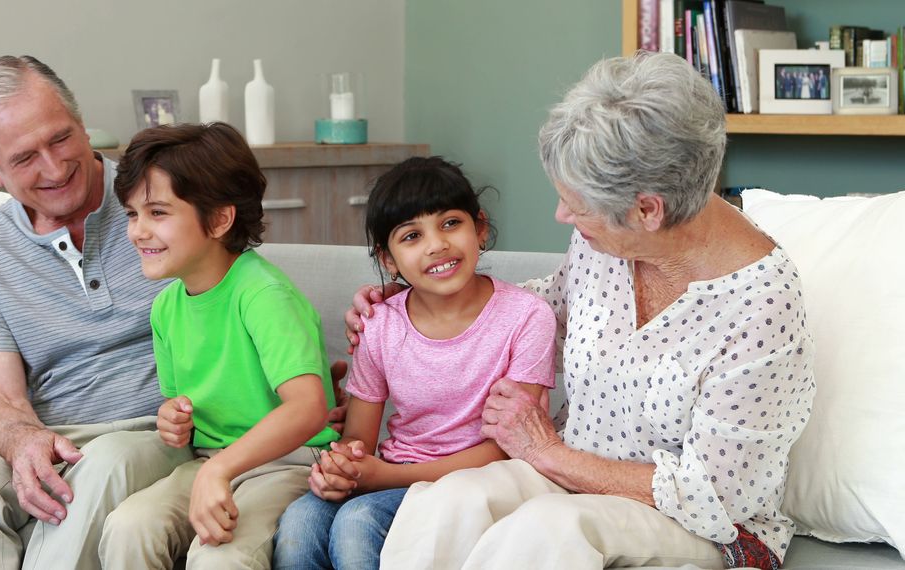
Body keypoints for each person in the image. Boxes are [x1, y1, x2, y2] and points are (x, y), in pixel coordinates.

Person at [348, 52, 815, 570]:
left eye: (579, 206)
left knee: (548, 531)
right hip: (566, 472)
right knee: (453, 502)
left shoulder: (760, 306)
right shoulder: (604, 243)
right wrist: (417, 306)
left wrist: (550, 454)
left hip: (700, 524)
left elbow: (720, 495)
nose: (562, 215)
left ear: (647, 210)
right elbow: (550, 309)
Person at [0, 55, 347, 570]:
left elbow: (244, 291)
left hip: (147, 438)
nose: (54, 166)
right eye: (24, 158)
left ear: (82, 125)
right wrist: (23, 442)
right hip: (56, 435)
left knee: (106, 463)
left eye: (61, 138)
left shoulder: (158, 194)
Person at [272, 157, 556, 570]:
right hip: (394, 470)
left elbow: (510, 448)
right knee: (300, 521)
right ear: (388, 259)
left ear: (479, 228)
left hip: (478, 481)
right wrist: (341, 468)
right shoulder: (380, 323)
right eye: (411, 236)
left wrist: (381, 477)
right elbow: (359, 439)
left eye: (450, 223)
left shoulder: (526, 317)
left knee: (358, 521)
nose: (436, 244)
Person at [97, 122, 342, 569]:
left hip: (287, 464)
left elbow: (308, 408)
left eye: (158, 213)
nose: (137, 231)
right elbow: (180, 401)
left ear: (219, 219)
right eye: (132, 214)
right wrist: (173, 419)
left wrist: (220, 469)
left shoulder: (263, 294)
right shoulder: (166, 307)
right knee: (128, 527)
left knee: (220, 559)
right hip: (213, 462)